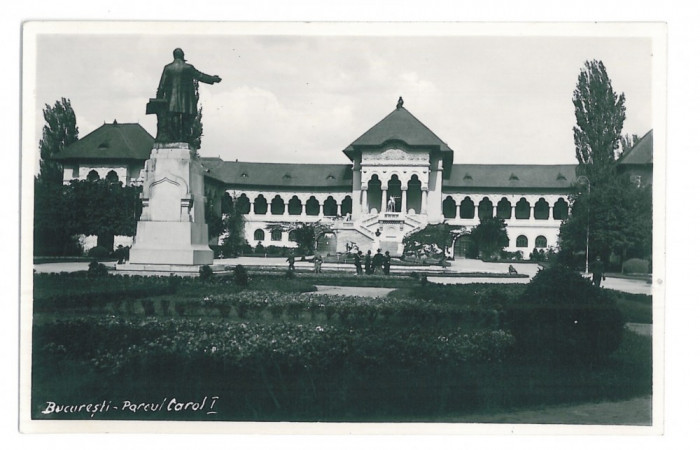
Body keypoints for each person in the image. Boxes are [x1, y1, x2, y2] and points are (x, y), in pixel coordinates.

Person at [152, 48, 222, 143]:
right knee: (185, 122)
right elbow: (200, 76)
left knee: (173, 120)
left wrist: (159, 100)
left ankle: (174, 139)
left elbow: (162, 85)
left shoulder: (168, 68)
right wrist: (213, 79)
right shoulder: (188, 68)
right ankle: (182, 139)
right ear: (183, 56)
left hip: (171, 101)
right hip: (186, 101)